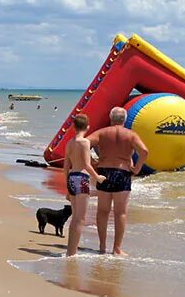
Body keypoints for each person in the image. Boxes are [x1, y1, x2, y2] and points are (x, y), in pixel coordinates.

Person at [86, 106, 148, 256]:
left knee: (103, 211)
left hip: (104, 172)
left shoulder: (102, 133)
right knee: (120, 213)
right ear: (125, 120)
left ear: (111, 118)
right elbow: (144, 151)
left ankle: (102, 246)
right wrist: (137, 168)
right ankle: (117, 248)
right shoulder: (131, 135)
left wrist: (92, 162)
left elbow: (84, 144)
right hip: (123, 173)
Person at [62, 114, 105, 257]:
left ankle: (70, 250)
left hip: (72, 177)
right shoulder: (85, 142)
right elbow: (87, 165)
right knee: (80, 218)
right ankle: (72, 253)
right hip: (81, 178)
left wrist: (67, 187)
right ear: (88, 127)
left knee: (75, 217)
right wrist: (97, 177)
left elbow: (66, 167)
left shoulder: (69, 143)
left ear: (74, 127)